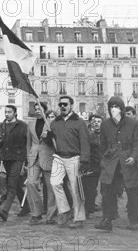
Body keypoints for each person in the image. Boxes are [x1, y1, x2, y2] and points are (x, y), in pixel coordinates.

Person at [95, 96, 138, 231]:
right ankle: (107, 219)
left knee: (133, 191)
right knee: (107, 190)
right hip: (111, 163)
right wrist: (104, 160)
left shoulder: (133, 124)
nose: (113, 110)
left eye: (116, 107)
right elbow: (103, 144)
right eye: (111, 107)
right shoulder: (105, 124)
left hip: (128, 162)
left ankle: (133, 220)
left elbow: (137, 143)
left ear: (122, 109)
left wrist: (134, 157)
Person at [47, 96, 90, 229]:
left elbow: (85, 142)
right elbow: (52, 142)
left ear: (71, 105)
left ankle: (79, 218)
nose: (63, 107)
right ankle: (64, 211)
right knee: (54, 182)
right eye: (60, 104)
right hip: (59, 157)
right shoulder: (55, 123)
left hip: (74, 158)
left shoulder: (79, 122)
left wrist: (84, 160)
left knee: (75, 189)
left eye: (65, 104)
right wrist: (48, 137)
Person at [26, 103, 57, 225]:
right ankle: (36, 213)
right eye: (36, 109)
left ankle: (51, 215)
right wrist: (27, 157)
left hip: (48, 157)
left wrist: (49, 135)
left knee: (51, 187)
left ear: (45, 110)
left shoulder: (51, 123)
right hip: (33, 158)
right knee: (30, 183)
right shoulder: (30, 124)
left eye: (40, 109)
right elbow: (28, 143)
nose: (37, 111)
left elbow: (56, 141)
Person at [0, 105, 30, 222]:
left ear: (15, 113)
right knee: (15, 184)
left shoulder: (22, 126)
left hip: (18, 158)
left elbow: (27, 144)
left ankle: (5, 210)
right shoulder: (1, 126)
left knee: (11, 183)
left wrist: (26, 161)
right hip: (6, 158)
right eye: (5, 112)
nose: (7, 114)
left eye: (10, 112)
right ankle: (26, 206)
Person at [84, 114, 102, 218]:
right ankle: (88, 208)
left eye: (99, 121)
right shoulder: (90, 136)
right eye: (94, 121)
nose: (96, 123)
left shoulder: (106, 135)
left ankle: (111, 212)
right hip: (93, 165)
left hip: (106, 164)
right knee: (90, 187)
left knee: (107, 188)